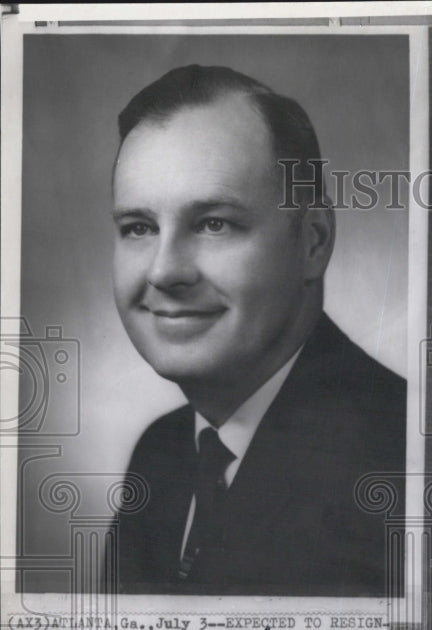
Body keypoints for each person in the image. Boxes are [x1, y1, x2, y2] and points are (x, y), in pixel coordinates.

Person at [109, 64, 406, 596]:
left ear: (312, 241)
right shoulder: (159, 456)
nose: (162, 271)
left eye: (213, 223)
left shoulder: (408, 458)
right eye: (139, 228)